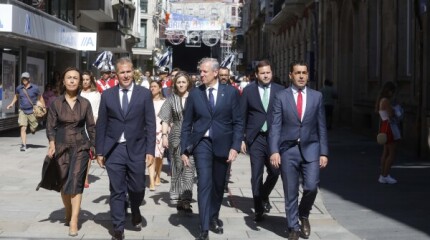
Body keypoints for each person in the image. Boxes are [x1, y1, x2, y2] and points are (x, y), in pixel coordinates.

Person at [180, 58, 243, 240]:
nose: (201, 75)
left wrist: (235, 146)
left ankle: (214, 216)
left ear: (215, 73)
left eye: (204, 72)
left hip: (223, 144)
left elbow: (238, 122)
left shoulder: (231, 93)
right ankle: (204, 226)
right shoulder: (195, 94)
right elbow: (187, 124)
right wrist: (185, 148)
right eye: (200, 71)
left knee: (217, 185)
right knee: (204, 183)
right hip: (202, 144)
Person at [96, 57, 156, 240]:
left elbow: (150, 124)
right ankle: (118, 228)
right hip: (114, 149)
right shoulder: (107, 95)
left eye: (128, 71)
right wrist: (99, 151)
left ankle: (136, 207)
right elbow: (102, 125)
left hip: (137, 148)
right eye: (122, 72)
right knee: (117, 189)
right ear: (116, 74)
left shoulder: (144, 94)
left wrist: (150, 150)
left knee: (137, 187)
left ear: (133, 72)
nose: (126, 75)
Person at [269, 61, 328, 240]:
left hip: (311, 148)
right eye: (297, 73)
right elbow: (275, 126)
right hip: (288, 150)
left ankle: (303, 214)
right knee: (290, 190)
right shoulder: (281, 96)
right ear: (290, 75)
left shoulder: (317, 96)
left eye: (304, 73)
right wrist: (274, 150)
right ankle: (293, 226)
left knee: (311, 186)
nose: (301, 76)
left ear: (308, 75)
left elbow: (322, 126)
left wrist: (324, 152)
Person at [44, 67, 96, 237]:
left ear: (79, 82)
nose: (72, 80)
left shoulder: (85, 103)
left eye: (75, 78)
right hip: (61, 146)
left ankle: (74, 220)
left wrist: (94, 147)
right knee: (64, 183)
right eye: (69, 78)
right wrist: (51, 143)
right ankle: (68, 211)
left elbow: (91, 127)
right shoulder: (56, 103)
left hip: (81, 146)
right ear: (64, 81)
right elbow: (50, 126)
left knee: (76, 181)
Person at [240, 60, 283, 222]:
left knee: (275, 172)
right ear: (257, 75)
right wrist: (241, 139)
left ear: (272, 73)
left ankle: (263, 194)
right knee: (256, 174)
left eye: (268, 72)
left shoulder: (280, 91)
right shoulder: (248, 91)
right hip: (255, 138)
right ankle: (258, 209)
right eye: (262, 73)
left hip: (274, 139)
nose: (265, 75)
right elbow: (241, 116)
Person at [158, 71, 194, 213]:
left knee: (189, 167)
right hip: (176, 136)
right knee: (178, 166)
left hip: (191, 135)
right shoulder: (171, 99)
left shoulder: (194, 98)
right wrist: (164, 135)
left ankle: (186, 198)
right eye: (178, 82)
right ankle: (178, 196)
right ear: (175, 84)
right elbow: (165, 119)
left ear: (188, 83)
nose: (181, 84)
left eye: (183, 82)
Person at [7, 72, 46, 151]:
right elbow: (16, 96)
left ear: (29, 79)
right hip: (22, 110)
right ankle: (24, 145)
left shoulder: (35, 88)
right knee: (23, 128)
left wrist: (44, 106)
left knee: (34, 127)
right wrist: (11, 104)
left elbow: (40, 98)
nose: (24, 80)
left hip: (32, 111)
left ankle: (33, 129)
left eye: (26, 78)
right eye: (23, 78)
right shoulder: (19, 88)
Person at [375, 81, 401, 184]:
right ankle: (385, 175)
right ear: (389, 91)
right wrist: (397, 110)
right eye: (393, 91)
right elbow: (391, 114)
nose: (393, 93)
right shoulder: (386, 101)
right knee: (392, 153)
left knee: (385, 152)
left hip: (384, 126)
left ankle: (383, 174)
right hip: (389, 126)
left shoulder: (381, 100)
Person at [80, 71, 101, 188]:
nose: (85, 82)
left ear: (91, 80)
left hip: (90, 125)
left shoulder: (96, 94)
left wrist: (92, 126)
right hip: (78, 125)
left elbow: (97, 111)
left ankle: (85, 176)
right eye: (83, 79)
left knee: (88, 152)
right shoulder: (78, 93)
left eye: (87, 79)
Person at [148, 80, 166, 191]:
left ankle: (158, 175)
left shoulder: (165, 102)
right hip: (149, 132)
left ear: (160, 88)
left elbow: (167, 118)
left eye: (155, 86)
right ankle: (151, 181)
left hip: (161, 132)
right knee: (151, 155)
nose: (152, 88)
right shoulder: (147, 101)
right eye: (151, 86)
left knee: (159, 157)